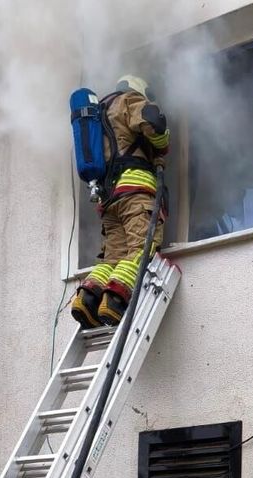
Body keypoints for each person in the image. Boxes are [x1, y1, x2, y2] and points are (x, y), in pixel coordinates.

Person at [72, 75, 170, 328]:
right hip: (135, 192)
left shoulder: (99, 114)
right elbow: (153, 123)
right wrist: (162, 144)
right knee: (141, 248)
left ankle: (87, 298)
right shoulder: (129, 100)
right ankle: (115, 300)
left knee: (113, 258)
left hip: (109, 199)